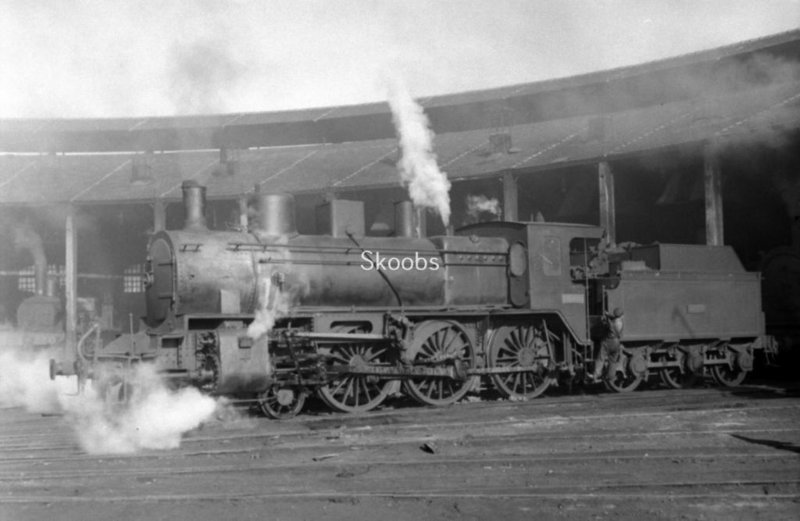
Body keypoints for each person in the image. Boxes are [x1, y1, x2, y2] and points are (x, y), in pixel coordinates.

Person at [592, 307, 624, 381]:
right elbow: (615, 318)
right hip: (617, 343)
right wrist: (608, 314)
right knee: (613, 361)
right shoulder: (621, 322)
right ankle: (611, 376)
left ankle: (596, 375)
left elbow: (608, 322)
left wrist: (605, 316)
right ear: (622, 315)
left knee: (601, 358)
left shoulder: (611, 323)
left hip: (608, 342)